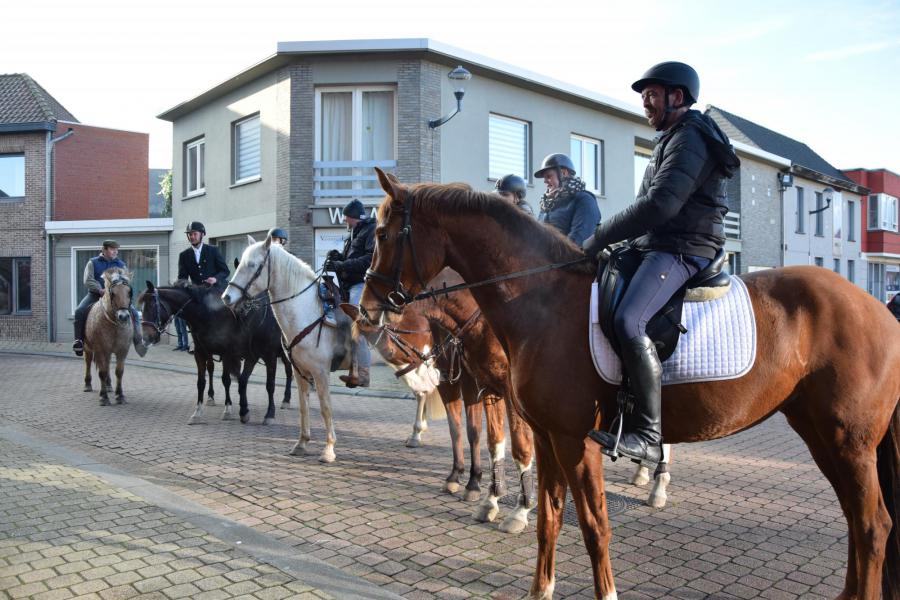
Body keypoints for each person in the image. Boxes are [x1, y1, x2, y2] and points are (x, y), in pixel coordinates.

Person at [582, 61, 740, 463]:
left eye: (651, 96)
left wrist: (600, 235)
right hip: (661, 243)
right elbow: (644, 209)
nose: (646, 105)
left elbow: (660, 205)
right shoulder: (670, 137)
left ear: (677, 97)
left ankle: (649, 436)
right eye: (644, 98)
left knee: (628, 320)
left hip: (685, 248)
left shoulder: (691, 137)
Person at [324, 199, 376, 387]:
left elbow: (370, 259)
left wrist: (342, 264)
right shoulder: (353, 233)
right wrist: (338, 257)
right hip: (348, 286)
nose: (345, 221)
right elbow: (350, 257)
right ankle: (348, 366)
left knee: (357, 325)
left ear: (354, 217)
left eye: (347, 217)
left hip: (361, 285)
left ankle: (363, 374)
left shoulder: (371, 231)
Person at [72, 240, 147, 358]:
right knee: (79, 311)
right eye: (112, 249)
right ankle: (79, 341)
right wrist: (100, 290)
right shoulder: (93, 262)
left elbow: (126, 280)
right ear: (104, 250)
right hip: (96, 295)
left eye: (116, 249)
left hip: (116, 298)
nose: (115, 252)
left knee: (134, 313)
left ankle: (138, 341)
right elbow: (88, 280)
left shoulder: (120, 264)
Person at [534, 153, 600, 244]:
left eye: (548, 176)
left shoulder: (584, 200)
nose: (545, 181)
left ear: (563, 173)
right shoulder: (547, 205)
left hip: (571, 258)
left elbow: (577, 242)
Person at [177, 221, 230, 290]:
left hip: (216, 290)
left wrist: (215, 279)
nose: (192, 237)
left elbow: (225, 271)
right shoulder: (183, 255)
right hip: (197, 293)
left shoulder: (213, 250)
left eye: (195, 234)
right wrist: (186, 285)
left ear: (202, 235)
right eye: (190, 234)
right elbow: (182, 278)